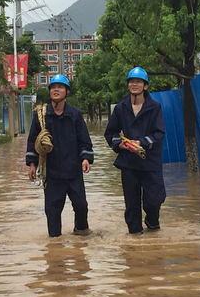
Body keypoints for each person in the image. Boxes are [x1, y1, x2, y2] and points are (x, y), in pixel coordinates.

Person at [26, 74, 94, 237]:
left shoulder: (75, 115)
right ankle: (55, 245)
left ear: (67, 92)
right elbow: (32, 141)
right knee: (52, 210)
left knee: (81, 205)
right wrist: (32, 164)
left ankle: (81, 233)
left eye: (60, 87)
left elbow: (84, 140)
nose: (56, 90)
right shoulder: (41, 115)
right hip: (52, 172)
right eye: (53, 87)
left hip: (73, 171)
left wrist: (85, 158)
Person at [104, 66, 166, 234]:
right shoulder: (120, 108)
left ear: (145, 86)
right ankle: (135, 239)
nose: (135, 84)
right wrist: (120, 144)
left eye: (138, 82)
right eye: (132, 81)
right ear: (128, 85)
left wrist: (142, 143)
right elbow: (110, 133)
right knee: (131, 205)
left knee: (153, 201)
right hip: (129, 163)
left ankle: (153, 226)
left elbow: (159, 134)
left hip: (150, 162)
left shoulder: (154, 107)